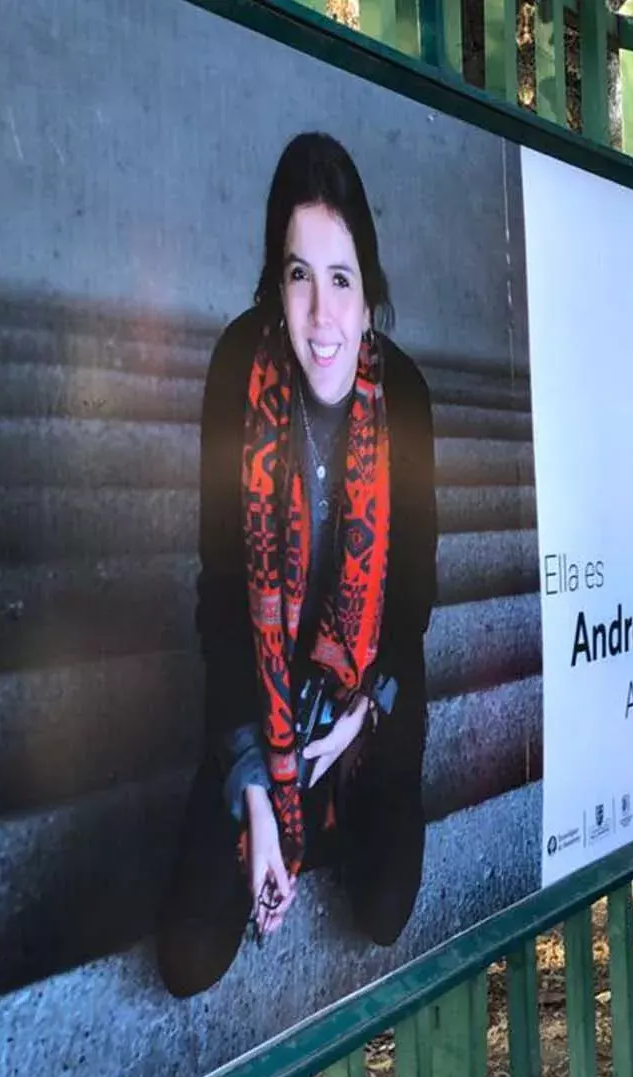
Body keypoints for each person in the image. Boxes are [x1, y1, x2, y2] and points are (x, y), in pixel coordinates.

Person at [156, 132, 439, 998]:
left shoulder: (407, 398)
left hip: (365, 698)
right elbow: (221, 591)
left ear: (369, 292)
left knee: (384, 908)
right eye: (298, 274)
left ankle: (337, 801)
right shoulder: (239, 368)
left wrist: (356, 723)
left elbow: (414, 590)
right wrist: (255, 782)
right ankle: (285, 801)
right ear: (275, 284)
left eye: (342, 278)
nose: (323, 315)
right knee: (188, 957)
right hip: (263, 691)